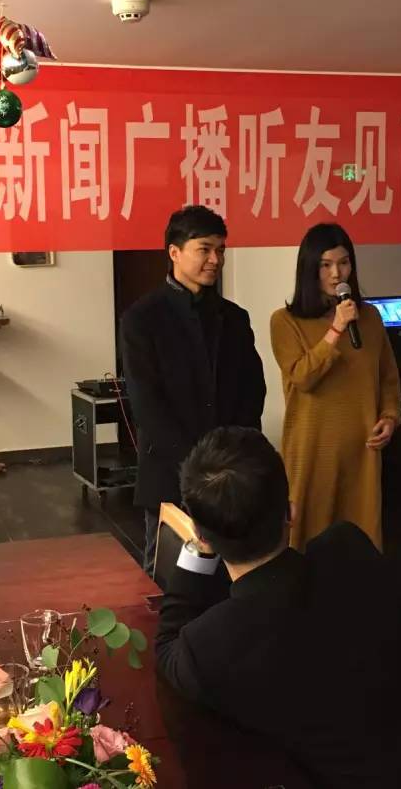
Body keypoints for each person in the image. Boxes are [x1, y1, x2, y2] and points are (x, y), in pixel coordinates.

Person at [156, 427, 401, 789]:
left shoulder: (212, 643)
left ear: (202, 535)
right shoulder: (347, 547)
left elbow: (166, 649)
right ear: (290, 511)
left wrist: (198, 549)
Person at [120, 205, 266, 576]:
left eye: (221, 250)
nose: (215, 260)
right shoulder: (142, 319)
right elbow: (148, 405)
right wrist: (196, 466)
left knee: (232, 575)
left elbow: (253, 391)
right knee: (170, 577)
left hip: (229, 473)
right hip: (171, 472)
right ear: (175, 252)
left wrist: (233, 455)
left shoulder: (234, 317)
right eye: (204, 249)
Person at [270, 222, 400, 550]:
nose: (336, 273)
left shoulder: (370, 318)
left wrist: (389, 417)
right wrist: (336, 329)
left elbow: (388, 377)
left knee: (360, 539)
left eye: (343, 263)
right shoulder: (285, 321)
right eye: (325, 265)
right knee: (308, 537)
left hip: (362, 452)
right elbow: (303, 377)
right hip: (313, 450)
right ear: (309, 269)